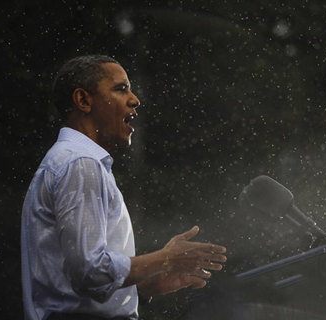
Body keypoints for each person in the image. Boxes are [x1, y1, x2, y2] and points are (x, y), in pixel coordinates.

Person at [20, 55, 227, 320]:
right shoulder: (80, 164)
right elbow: (89, 272)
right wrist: (165, 259)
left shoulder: (73, 162)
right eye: (120, 88)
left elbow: (75, 282)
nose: (134, 99)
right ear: (83, 101)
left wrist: (146, 283)